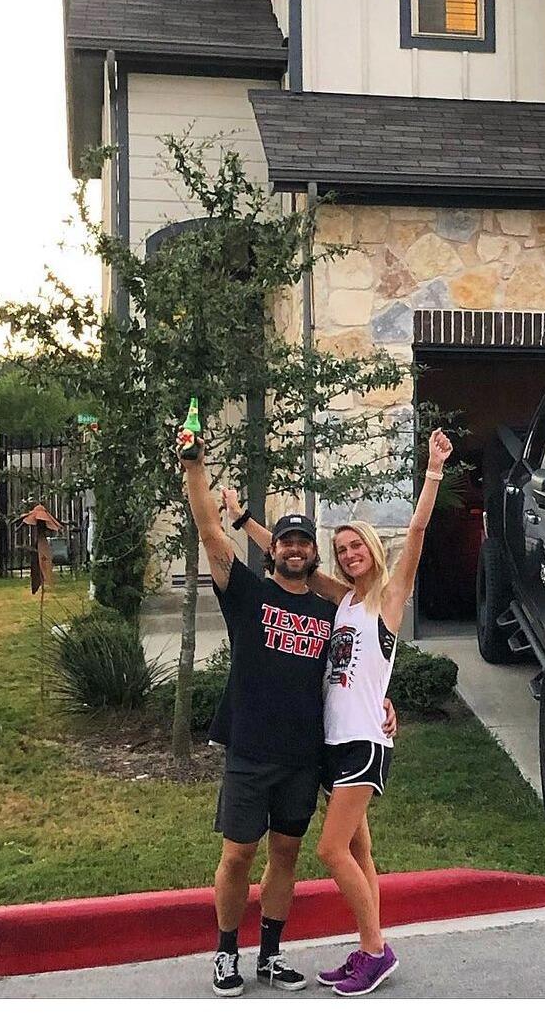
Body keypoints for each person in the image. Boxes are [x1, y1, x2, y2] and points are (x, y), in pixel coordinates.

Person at [224, 427, 453, 997]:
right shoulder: (343, 598)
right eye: (344, 548)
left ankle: (374, 952)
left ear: (374, 551)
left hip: (362, 745)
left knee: (328, 850)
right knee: (359, 851)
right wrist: (243, 519)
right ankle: (372, 945)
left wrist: (433, 470)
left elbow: (419, 531)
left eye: (359, 547)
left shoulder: (389, 596)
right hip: (334, 741)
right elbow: (287, 558)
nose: (351, 555)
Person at [180, 443, 396, 998]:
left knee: (286, 855)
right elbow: (209, 530)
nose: (295, 550)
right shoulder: (247, 592)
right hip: (250, 749)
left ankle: (271, 955)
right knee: (237, 855)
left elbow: (362, 660)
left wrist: (383, 706)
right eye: (286, 542)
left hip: (305, 755)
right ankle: (226, 953)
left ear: (311, 555)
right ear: (272, 550)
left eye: (304, 543)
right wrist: (195, 468)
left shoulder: (333, 607)